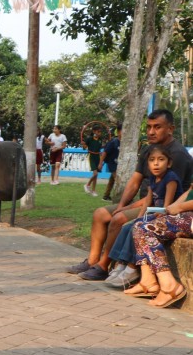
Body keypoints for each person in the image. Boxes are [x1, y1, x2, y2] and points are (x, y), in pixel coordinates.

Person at [69, 109, 193, 280]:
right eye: (149, 127)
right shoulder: (149, 149)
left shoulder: (177, 155)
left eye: (157, 127)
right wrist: (121, 205)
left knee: (118, 219)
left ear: (170, 129)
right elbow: (135, 181)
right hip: (145, 200)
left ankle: (103, 265)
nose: (151, 131)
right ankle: (92, 260)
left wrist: (124, 210)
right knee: (100, 214)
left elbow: (163, 195)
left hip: (160, 206)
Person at [102, 144, 179, 287]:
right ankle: (120, 265)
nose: (156, 163)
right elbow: (148, 200)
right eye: (152, 160)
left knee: (136, 228)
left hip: (166, 215)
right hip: (153, 213)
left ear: (169, 163)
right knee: (127, 227)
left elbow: (167, 207)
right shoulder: (152, 178)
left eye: (161, 159)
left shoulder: (171, 179)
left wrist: (143, 221)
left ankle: (132, 268)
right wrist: (140, 217)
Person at [126, 183, 193, 307]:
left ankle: (169, 286)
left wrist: (180, 207)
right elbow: (190, 189)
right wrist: (171, 208)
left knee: (146, 230)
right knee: (139, 224)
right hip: (187, 214)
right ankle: (148, 281)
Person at [101, 124, 121, 201]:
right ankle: (119, 197)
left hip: (119, 164)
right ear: (119, 132)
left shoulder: (124, 142)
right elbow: (105, 152)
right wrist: (100, 163)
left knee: (112, 180)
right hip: (112, 164)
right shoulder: (114, 142)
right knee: (118, 180)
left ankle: (106, 196)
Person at [82, 127, 104, 196]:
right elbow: (84, 148)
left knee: (96, 175)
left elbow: (100, 148)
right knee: (95, 174)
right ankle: (87, 185)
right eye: (98, 131)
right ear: (94, 131)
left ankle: (93, 190)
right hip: (91, 156)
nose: (99, 133)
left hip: (98, 156)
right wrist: (83, 144)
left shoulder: (100, 140)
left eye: (100, 132)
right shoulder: (89, 139)